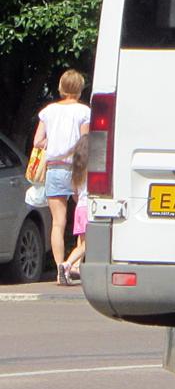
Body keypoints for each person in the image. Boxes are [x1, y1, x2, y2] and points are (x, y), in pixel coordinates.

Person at [33, 69, 91, 286]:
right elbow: (85, 141)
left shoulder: (48, 112)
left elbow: (38, 140)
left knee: (58, 223)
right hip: (78, 168)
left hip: (55, 168)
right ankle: (74, 264)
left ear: (60, 87)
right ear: (80, 88)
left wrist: (52, 145)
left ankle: (60, 267)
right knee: (83, 216)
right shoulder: (84, 111)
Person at [63, 137, 89, 282]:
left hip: (79, 208)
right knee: (88, 243)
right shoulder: (92, 169)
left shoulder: (77, 170)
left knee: (82, 240)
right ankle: (68, 263)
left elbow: (74, 193)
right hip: (89, 208)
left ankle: (76, 266)